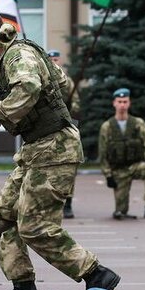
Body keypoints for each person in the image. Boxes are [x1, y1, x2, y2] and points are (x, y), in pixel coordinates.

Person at [0, 6, 121, 290]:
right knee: (1, 216)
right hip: (37, 148)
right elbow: (62, 83)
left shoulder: (18, 56)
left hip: (54, 149)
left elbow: (30, 86)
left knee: (34, 227)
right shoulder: (18, 54)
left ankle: (94, 273)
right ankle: (24, 289)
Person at [98, 88, 145, 219]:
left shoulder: (137, 123)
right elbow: (103, 153)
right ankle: (121, 209)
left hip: (135, 165)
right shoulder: (107, 127)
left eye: (125, 101)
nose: (122, 105)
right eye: (119, 102)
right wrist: (108, 175)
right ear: (114, 103)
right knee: (120, 212)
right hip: (119, 170)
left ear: (129, 103)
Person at [48, 49, 80, 219]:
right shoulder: (42, 80)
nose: (54, 62)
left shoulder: (67, 82)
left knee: (68, 166)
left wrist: (70, 110)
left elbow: (77, 105)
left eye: (56, 59)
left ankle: (68, 203)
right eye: (50, 59)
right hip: (46, 129)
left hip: (65, 127)